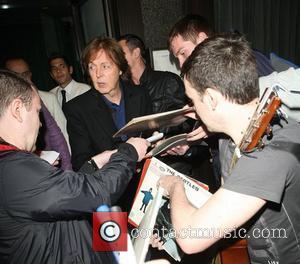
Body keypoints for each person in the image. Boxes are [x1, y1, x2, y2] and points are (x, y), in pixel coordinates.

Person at [156, 33, 300, 263]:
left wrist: (175, 186)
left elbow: (191, 238)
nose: (192, 109)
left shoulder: (271, 151)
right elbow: (228, 203)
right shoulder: (229, 139)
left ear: (211, 100)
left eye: (193, 100)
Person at [0, 70, 150, 263]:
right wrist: (129, 152)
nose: (40, 124)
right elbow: (95, 193)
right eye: (38, 112)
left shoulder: (12, 166)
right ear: (17, 110)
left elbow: (64, 195)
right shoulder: (13, 169)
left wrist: (93, 164)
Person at [64, 37, 152, 171]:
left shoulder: (140, 94)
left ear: (120, 69)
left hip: (143, 179)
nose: (98, 74)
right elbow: (80, 163)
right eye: (92, 67)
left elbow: (149, 136)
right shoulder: (77, 109)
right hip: (108, 185)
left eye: (105, 66)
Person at [5, 57, 72, 170]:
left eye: (25, 74)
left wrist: (68, 171)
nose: (23, 79)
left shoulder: (39, 99)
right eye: (17, 76)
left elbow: (58, 136)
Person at [118, 34, 187, 114]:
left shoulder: (168, 82)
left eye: (120, 54)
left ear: (136, 53)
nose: (117, 59)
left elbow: (188, 119)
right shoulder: (123, 89)